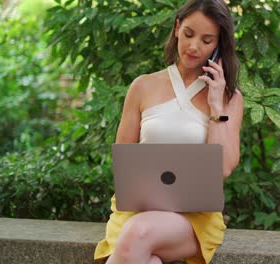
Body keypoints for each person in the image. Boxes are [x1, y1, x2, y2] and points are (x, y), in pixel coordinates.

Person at [93, 0, 244, 263]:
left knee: (137, 234)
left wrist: (216, 106)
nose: (194, 46)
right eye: (188, 34)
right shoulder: (143, 86)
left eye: (207, 40)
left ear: (219, 45)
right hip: (137, 210)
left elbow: (223, 169)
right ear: (176, 28)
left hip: (194, 218)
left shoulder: (229, 98)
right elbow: (123, 158)